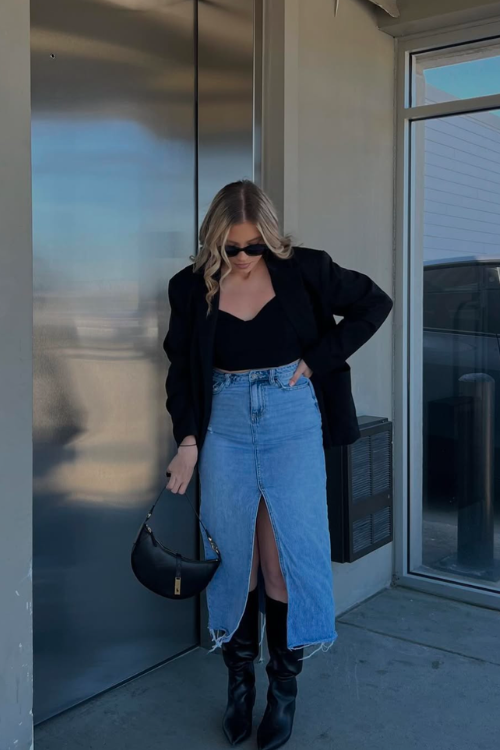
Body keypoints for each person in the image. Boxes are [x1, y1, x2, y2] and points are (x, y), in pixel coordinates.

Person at [163, 179, 393, 750]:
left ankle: (283, 689)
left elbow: (374, 303)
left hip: (291, 418)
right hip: (224, 426)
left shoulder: (306, 269)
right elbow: (181, 369)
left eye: (254, 246)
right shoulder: (190, 286)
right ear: (213, 240)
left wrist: (318, 359)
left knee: (282, 558)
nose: (243, 257)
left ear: (270, 237)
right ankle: (239, 684)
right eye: (231, 248)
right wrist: (187, 441)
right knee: (234, 559)